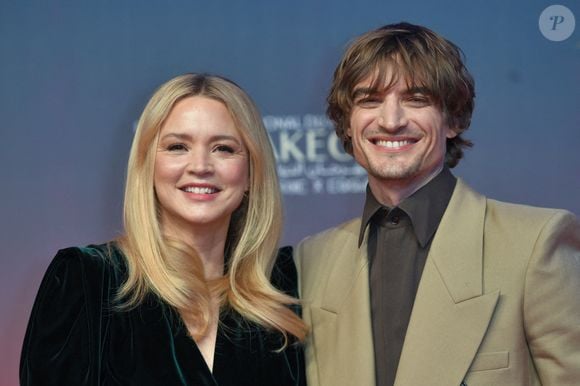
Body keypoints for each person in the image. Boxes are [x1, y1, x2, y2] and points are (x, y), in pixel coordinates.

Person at [295, 22, 580, 386]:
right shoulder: (311, 260)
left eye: (416, 99)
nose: (391, 120)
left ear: (453, 119)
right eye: (370, 100)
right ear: (348, 123)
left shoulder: (534, 244)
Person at [20, 73, 307, 385]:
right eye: (177, 146)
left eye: (223, 148)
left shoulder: (286, 293)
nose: (200, 166)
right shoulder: (87, 281)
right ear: (148, 166)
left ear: (252, 172)